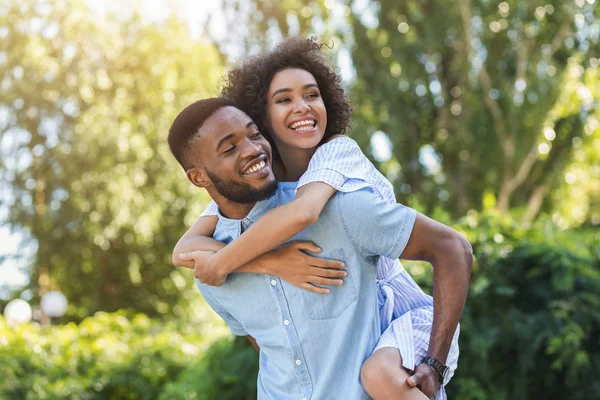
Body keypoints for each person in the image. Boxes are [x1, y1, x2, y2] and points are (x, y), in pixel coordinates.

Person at [172, 39, 472, 399]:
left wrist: (434, 364)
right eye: (284, 99)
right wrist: (268, 263)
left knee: (380, 375)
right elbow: (187, 251)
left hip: (396, 309)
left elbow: (303, 212)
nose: (301, 108)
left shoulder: (337, 171)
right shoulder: (237, 215)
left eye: (311, 95)